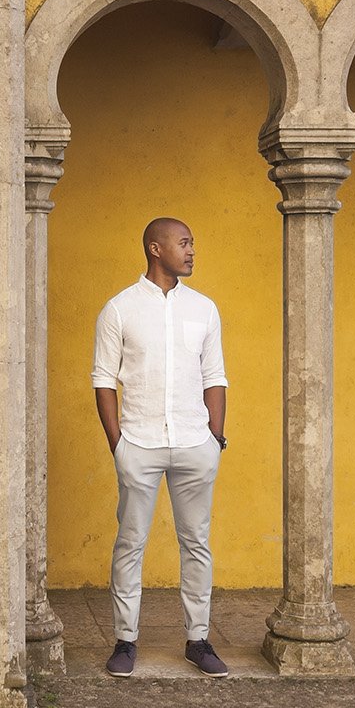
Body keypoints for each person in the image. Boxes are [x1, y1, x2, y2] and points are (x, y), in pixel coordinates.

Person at [92, 216, 229, 680]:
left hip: (195, 443)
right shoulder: (120, 309)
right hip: (140, 444)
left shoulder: (204, 309)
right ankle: (126, 641)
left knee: (197, 544)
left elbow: (215, 376)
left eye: (192, 243)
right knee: (130, 543)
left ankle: (198, 640)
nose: (191, 251)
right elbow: (103, 381)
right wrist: (119, 445)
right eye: (184, 243)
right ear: (156, 248)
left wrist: (215, 436)